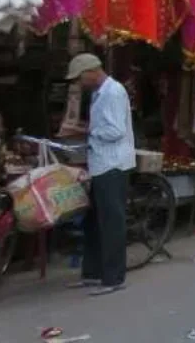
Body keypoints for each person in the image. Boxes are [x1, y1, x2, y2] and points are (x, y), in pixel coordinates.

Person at [65, 54, 136, 296]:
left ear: (92, 71)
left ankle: (114, 278)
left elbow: (115, 130)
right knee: (93, 223)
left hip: (112, 165)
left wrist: (86, 130)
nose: (79, 83)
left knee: (111, 223)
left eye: (80, 77)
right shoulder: (98, 93)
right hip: (100, 163)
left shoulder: (113, 92)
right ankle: (92, 273)